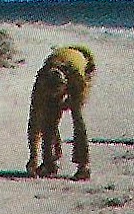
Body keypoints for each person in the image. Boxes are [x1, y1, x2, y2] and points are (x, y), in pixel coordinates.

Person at [27, 44, 95, 180]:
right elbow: (34, 121)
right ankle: (50, 162)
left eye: (58, 93)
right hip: (59, 61)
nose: (54, 97)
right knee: (48, 116)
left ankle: (83, 166)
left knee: (77, 118)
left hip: (85, 65)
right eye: (51, 94)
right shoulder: (40, 84)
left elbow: (77, 114)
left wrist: (70, 102)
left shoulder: (76, 78)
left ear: (65, 87)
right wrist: (33, 157)